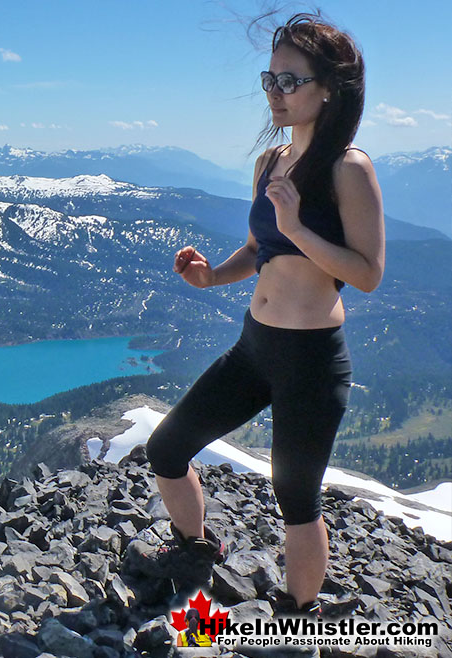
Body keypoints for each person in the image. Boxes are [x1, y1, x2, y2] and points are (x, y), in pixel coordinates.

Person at [130, 12, 384, 617]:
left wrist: (297, 225)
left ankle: (298, 616)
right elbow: (259, 249)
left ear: (329, 88)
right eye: (269, 80)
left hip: (311, 360)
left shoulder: (349, 168)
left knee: (295, 495)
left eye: (290, 81)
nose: (275, 92)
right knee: (167, 449)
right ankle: (196, 549)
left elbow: (368, 273)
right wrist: (211, 275)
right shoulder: (269, 163)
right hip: (254, 346)